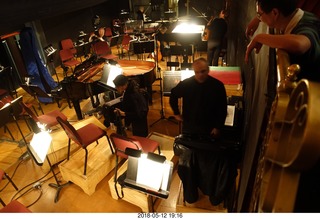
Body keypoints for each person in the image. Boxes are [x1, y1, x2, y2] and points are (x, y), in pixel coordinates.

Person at [245, 0, 320, 82]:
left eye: (259, 14)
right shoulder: (296, 15)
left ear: (275, 13)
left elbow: (300, 44)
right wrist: (259, 18)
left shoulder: (306, 27)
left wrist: (260, 38)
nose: (260, 18)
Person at [170, 57, 227, 138]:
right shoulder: (186, 84)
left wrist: (218, 127)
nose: (200, 75)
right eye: (197, 72)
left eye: (203, 71)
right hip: (190, 126)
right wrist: (176, 112)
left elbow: (222, 107)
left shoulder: (217, 86)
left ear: (208, 70)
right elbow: (173, 94)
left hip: (209, 127)